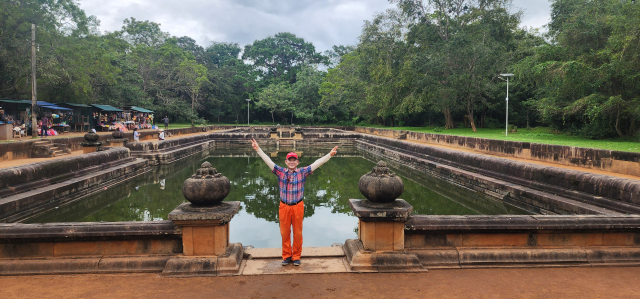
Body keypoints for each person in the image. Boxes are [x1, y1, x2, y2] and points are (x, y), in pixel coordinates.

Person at [250, 138, 338, 266]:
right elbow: (268, 161)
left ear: (297, 162)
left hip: (298, 206)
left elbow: (317, 163)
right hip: (284, 206)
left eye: (294, 160)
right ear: (286, 162)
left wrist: (329, 155)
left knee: (298, 233)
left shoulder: (302, 172)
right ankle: (286, 256)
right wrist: (258, 149)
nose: (292, 162)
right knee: (285, 233)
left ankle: (296, 256)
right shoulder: (280, 172)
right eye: (289, 160)